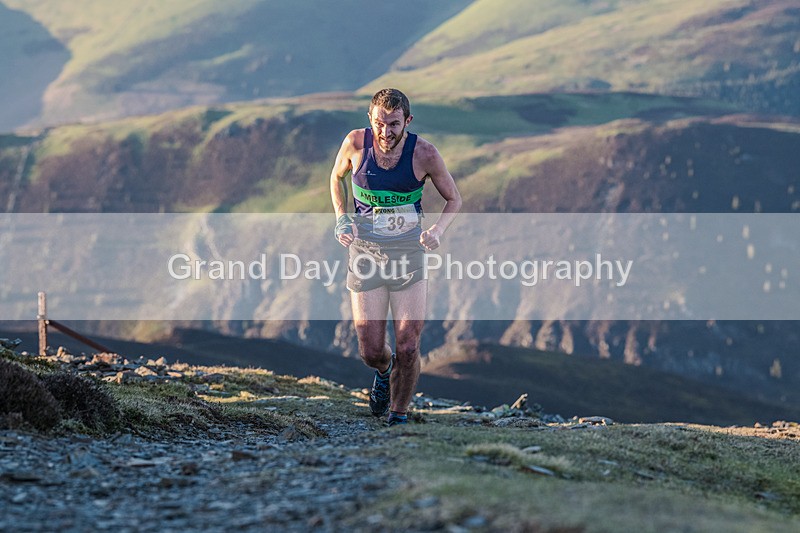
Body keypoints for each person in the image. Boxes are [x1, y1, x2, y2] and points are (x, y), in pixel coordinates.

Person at [329, 88, 462, 426]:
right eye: (379, 124)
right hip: (366, 254)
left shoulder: (425, 154)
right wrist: (342, 216)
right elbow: (336, 178)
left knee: (408, 345)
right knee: (371, 350)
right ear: (369, 120)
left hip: (408, 254)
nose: (385, 132)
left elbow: (454, 200)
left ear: (408, 121)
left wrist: (437, 231)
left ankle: (398, 416)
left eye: (393, 124)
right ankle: (384, 373)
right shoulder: (356, 144)